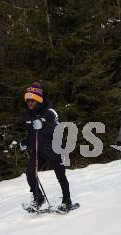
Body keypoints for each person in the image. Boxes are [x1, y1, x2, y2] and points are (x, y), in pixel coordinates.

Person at [20, 82, 73, 212]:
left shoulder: (50, 112)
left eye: (32, 100)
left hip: (54, 148)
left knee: (60, 175)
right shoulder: (27, 115)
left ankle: (67, 201)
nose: (29, 103)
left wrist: (44, 126)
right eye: (28, 100)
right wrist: (25, 142)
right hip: (39, 150)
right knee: (30, 174)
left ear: (38, 99)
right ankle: (38, 198)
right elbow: (32, 134)